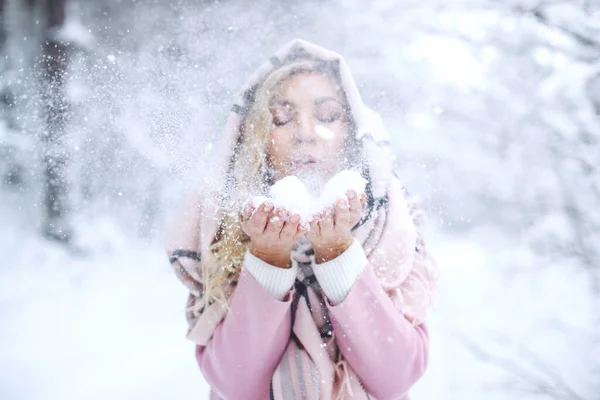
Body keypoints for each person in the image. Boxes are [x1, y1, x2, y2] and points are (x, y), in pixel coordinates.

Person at [166, 39, 438, 400]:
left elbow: (396, 375)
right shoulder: (224, 230)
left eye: (327, 116)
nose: (305, 133)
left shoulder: (390, 226)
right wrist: (268, 258)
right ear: (257, 135)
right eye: (281, 117)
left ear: (352, 132)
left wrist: (338, 253)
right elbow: (234, 383)